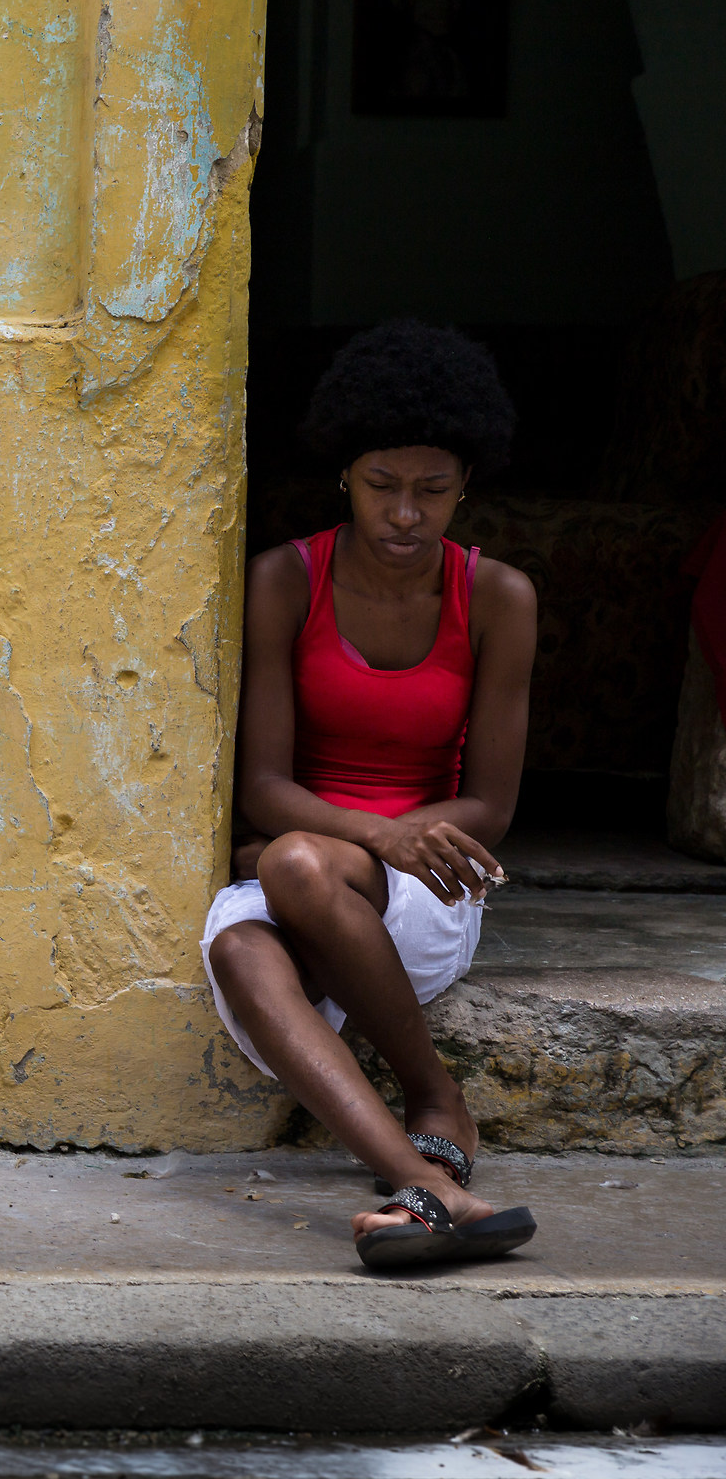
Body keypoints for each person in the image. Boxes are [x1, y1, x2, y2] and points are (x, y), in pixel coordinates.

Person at [205, 320, 540, 1270]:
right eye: (381, 486)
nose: (406, 514)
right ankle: (427, 1176)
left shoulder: (501, 599)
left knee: (289, 866)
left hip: (429, 882)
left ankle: (437, 1106)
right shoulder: (284, 580)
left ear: (465, 485)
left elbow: (492, 808)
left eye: (433, 491)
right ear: (343, 476)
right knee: (239, 941)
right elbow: (265, 785)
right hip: (321, 859)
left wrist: (396, 845)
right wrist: (368, 836)